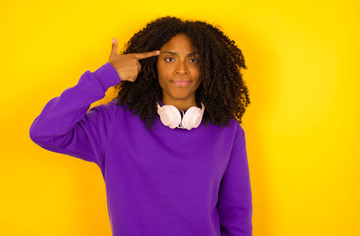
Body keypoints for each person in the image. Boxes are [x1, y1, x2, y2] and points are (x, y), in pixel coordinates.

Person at [30, 16, 253, 236]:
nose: (181, 69)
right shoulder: (114, 121)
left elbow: (236, 216)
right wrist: (105, 77)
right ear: (152, 65)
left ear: (208, 67)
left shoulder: (227, 131)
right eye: (169, 59)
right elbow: (45, 132)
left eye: (193, 60)